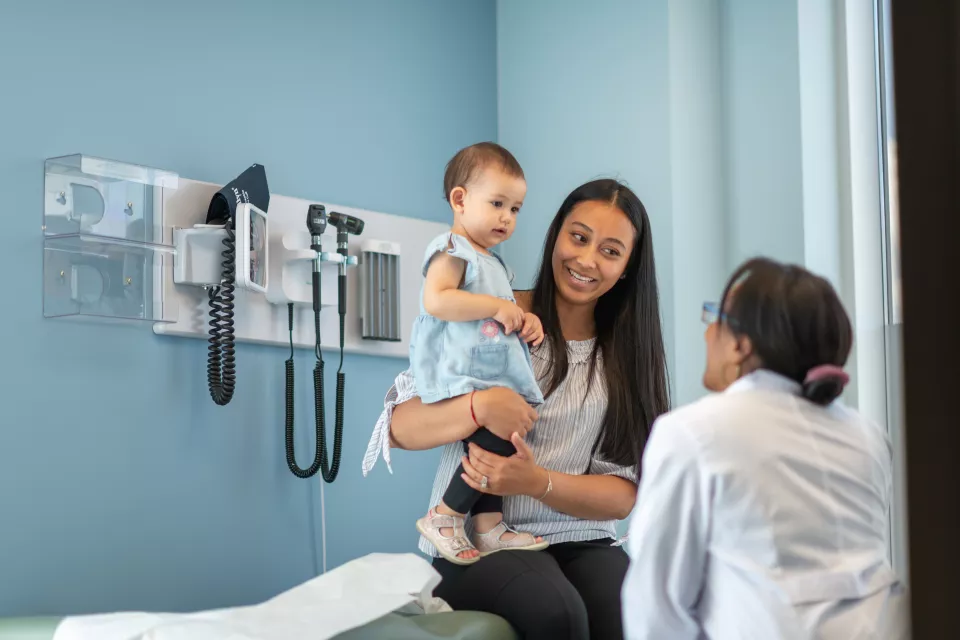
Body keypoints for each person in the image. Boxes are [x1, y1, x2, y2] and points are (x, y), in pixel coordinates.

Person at [363, 177, 670, 640]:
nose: (586, 260)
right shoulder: (493, 315)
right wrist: (478, 406)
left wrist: (536, 483)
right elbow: (400, 428)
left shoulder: (626, 355)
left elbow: (623, 491)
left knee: (632, 611)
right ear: (556, 236)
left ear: (627, 266)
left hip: (585, 541)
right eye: (578, 237)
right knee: (556, 614)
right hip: (478, 541)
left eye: (610, 251)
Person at [621, 257, 910, 639]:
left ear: (741, 344)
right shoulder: (867, 436)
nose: (707, 335)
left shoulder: (693, 433)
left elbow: (657, 606)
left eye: (715, 319)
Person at [409, 142, 548, 563]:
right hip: (459, 372)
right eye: (498, 203)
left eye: (516, 209)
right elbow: (437, 301)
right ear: (460, 199)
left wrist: (526, 320)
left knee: (500, 439)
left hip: (487, 372)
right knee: (493, 440)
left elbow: (500, 321)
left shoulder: (496, 265)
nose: (507, 217)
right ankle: (446, 515)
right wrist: (497, 306)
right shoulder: (454, 249)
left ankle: (488, 527)